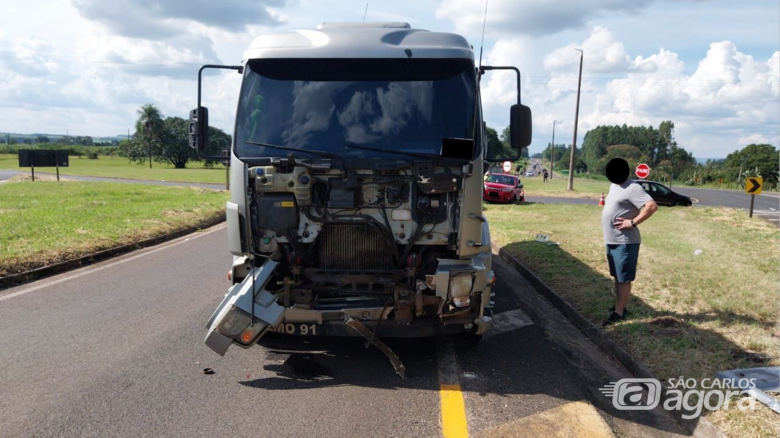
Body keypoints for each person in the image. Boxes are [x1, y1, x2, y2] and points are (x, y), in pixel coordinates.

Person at [601, 158, 658, 327]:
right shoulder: (614, 186)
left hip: (625, 242)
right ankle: (620, 305)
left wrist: (632, 222)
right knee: (617, 276)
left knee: (624, 278)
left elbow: (652, 206)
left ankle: (619, 312)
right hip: (612, 240)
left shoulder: (633, 188)